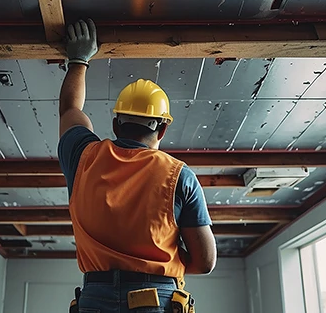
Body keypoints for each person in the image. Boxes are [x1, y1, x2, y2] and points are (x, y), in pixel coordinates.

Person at [57, 19, 217, 313]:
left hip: (95, 298)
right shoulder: (179, 175)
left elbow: (70, 110)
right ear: (163, 129)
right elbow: (204, 262)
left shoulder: (83, 156)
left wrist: (78, 59)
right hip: (155, 299)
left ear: (116, 122)